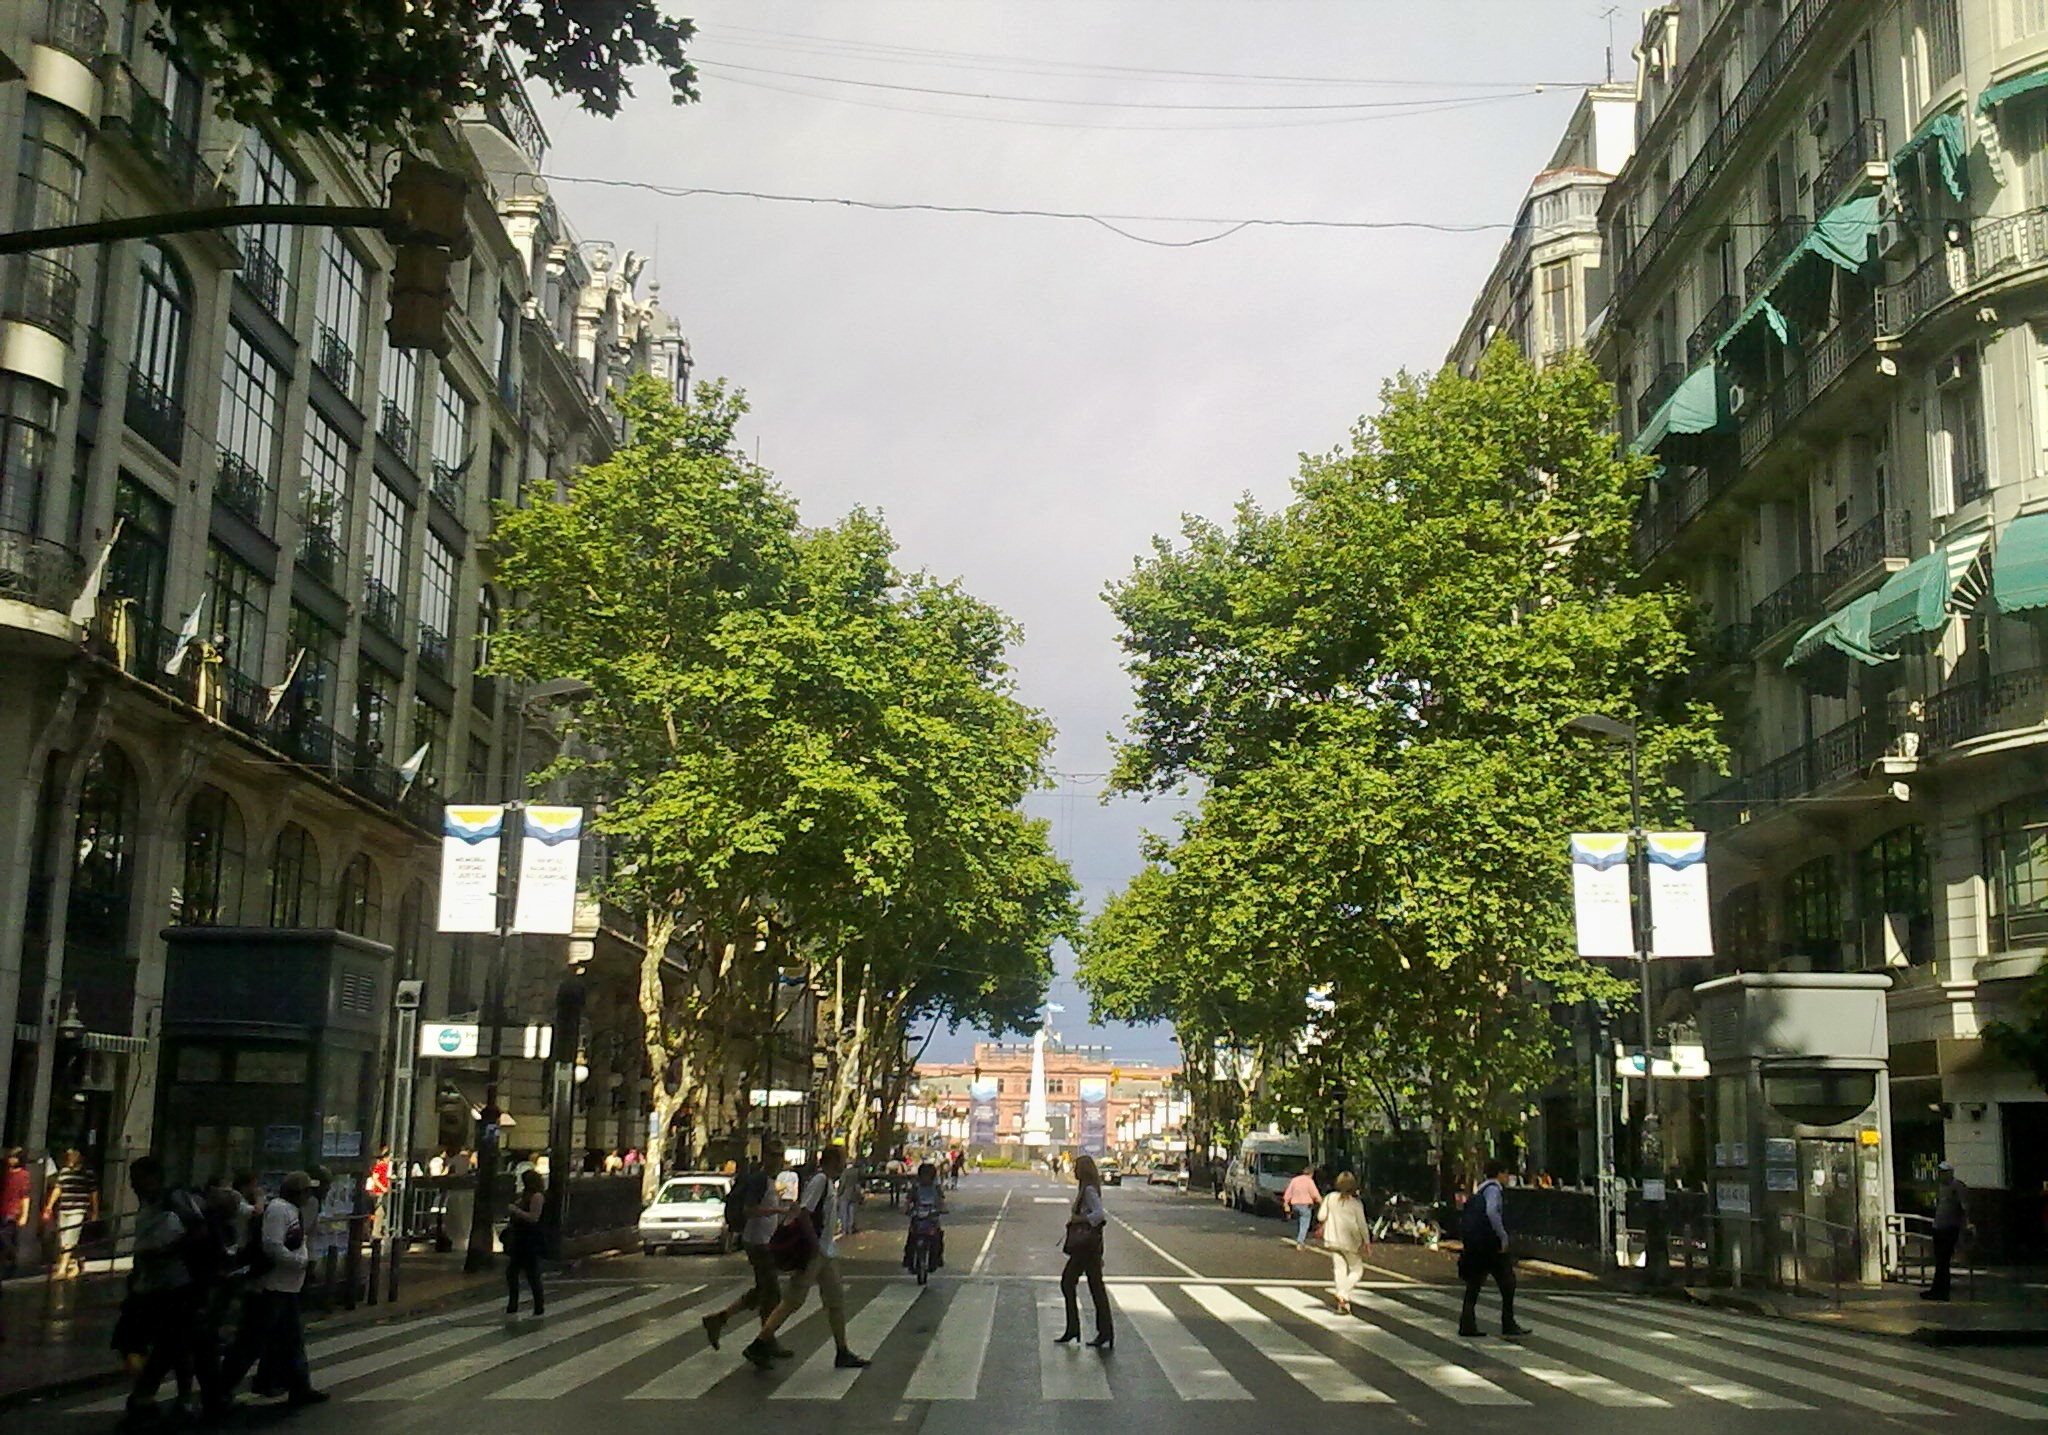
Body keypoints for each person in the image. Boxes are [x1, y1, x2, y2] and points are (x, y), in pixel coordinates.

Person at [742, 1145, 869, 1371]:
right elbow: (804, 1213)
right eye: (842, 1159)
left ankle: (842, 1351)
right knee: (793, 1301)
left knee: (835, 1300)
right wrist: (814, 1245)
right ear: (832, 1161)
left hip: (825, 1252)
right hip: (816, 1252)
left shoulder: (828, 1182)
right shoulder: (820, 1181)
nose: (844, 1164)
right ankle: (760, 1342)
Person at [116, 1157, 215, 1426]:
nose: (135, 1186)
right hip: (150, 1283)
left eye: (140, 1180)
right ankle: (155, 1395)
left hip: (177, 1284)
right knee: (143, 1341)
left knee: (176, 1343)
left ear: (155, 1178)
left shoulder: (175, 1200)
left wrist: (167, 1252)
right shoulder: (148, 1204)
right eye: (132, 1180)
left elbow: (199, 1230)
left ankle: (163, 1397)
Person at [217, 1171, 326, 1406]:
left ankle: (299, 1386)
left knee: (291, 1340)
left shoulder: (289, 1210)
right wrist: (301, 1263)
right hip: (271, 1288)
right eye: (307, 1190)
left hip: (285, 1288)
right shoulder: (279, 1210)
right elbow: (272, 1245)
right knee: (251, 1341)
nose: (310, 1195)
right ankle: (221, 1388)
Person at [702, 1155, 794, 1356]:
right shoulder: (760, 1180)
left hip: (764, 1240)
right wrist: (776, 1209)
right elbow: (749, 1210)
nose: (781, 1163)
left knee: (764, 1291)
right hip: (757, 1242)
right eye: (777, 1157)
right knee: (772, 1293)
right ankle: (765, 1342)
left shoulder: (769, 1181)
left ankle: (719, 1319)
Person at [1456, 1160, 1526, 1338]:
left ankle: (1467, 1323)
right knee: (1508, 1283)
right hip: (1491, 1245)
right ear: (1500, 1173)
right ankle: (1508, 1322)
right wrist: (1502, 1236)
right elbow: (1492, 1212)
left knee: (1474, 1284)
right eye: (1506, 1173)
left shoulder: (1480, 1189)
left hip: (1478, 1244)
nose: (1507, 1177)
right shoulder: (1494, 1190)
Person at [1056, 1153, 1113, 1351]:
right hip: (1090, 1247)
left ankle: (1077, 1328)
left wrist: (1080, 1220)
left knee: (1068, 1282)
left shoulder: (1088, 1189)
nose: (1074, 1170)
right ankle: (1102, 1331)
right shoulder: (1087, 1188)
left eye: (1077, 1167)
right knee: (1095, 1287)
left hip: (1085, 1248)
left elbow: (1099, 1214)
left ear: (1084, 1170)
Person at [1317, 1172, 1371, 1315]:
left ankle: (1343, 1304)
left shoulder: (1330, 1198)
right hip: (1350, 1241)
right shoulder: (1356, 1203)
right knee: (1357, 1269)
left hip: (1332, 1238)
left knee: (1339, 1269)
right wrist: (1367, 1241)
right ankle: (1343, 1293)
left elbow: (1321, 1216)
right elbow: (1362, 1224)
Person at [43, 1147, 98, 1279]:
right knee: (64, 1241)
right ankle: (76, 1262)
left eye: (73, 1156)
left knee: (70, 1239)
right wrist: (49, 1206)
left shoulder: (87, 1173)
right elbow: (58, 1189)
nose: (71, 1159)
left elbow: (94, 1193)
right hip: (64, 1209)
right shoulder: (64, 1172)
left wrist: (95, 1211)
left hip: (78, 1209)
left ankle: (62, 1270)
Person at [1924, 1162, 1971, 1301]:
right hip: (1939, 1226)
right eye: (1940, 1172)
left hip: (1950, 1227)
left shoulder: (1957, 1186)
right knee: (1939, 1260)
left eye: (1944, 1172)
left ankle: (1942, 1291)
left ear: (1950, 1172)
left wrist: (1966, 1224)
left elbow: (1964, 1207)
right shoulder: (1941, 1187)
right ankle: (1936, 1289)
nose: (1941, 1175)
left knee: (1943, 1260)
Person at [502, 1168, 546, 1316]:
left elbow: (534, 1217)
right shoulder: (524, 1196)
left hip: (529, 1238)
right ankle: (513, 1303)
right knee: (513, 1272)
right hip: (520, 1237)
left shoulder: (537, 1197)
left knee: (531, 1273)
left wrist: (516, 1211)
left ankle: (538, 1305)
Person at [903, 1160, 947, 1272]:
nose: (925, 1178)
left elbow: (941, 1200)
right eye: (924, 1175)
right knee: (911, 1238)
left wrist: (942, 1209)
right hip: (918, 1216)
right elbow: (908, 1200)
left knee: (938, 1237)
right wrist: (906, 1208)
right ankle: (908, 1259)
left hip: (932, 1217)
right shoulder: (916, 1187)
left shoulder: (936, 1187)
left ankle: (938, 1258)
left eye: (928, 1175)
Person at [2, 1146, 31, 1279]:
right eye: (10, 1157)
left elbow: (25, 1196)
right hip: (3, 1209)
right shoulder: (4, 1173)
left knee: (6, 1239)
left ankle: (10, 1265)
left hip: (13, 1211)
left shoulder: (23, 1175)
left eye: (14, 1157)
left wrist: (24, 1214)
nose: (11, 1160)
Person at [1284, 1165, 1322, 1250]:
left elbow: (1288, 1193)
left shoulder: (1295, 1180)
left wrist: (1286, 1203)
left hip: (1295, 1205)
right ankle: (1300, 1242)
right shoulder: (1309, 1181)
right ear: (1311, 1174)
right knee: (1304, 1224)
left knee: (1300, 1223)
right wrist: (1321, 1201)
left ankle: (1299, 1238)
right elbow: (1314, 1194)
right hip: (1306, 1205)